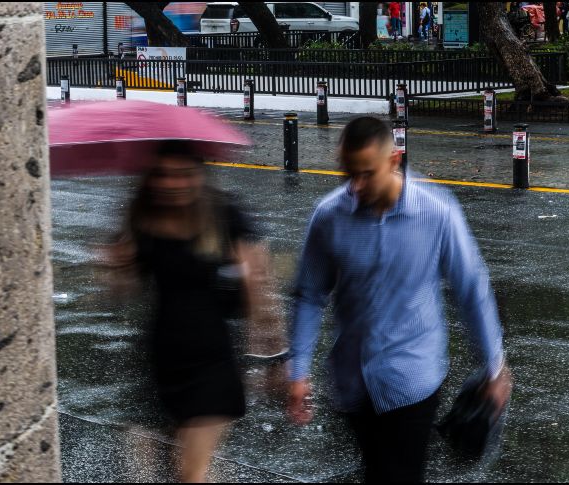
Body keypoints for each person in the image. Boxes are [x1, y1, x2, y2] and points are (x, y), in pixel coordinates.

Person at [286, 117, 512, 483]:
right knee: (378, 470)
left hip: (412, 378)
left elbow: (471, 288)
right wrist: (298, 370)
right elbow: (309, 295)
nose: (355, 186)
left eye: (366, 174)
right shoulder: (329, 216)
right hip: (352, 381)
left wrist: (493, 366)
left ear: (394, 160)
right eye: (348, 174)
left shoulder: (436, 212)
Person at [106, 141, 282, 483]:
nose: (173, 184)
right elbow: (123, 291)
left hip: (213, 357)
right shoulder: (142, 213)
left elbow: (261, 289)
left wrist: (275, 355)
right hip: (162, 354)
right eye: (164, 175)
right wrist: (116, 267)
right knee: (172, 466)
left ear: (201, 174)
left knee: (191, 472)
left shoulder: (225, 212)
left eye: (184, 175)